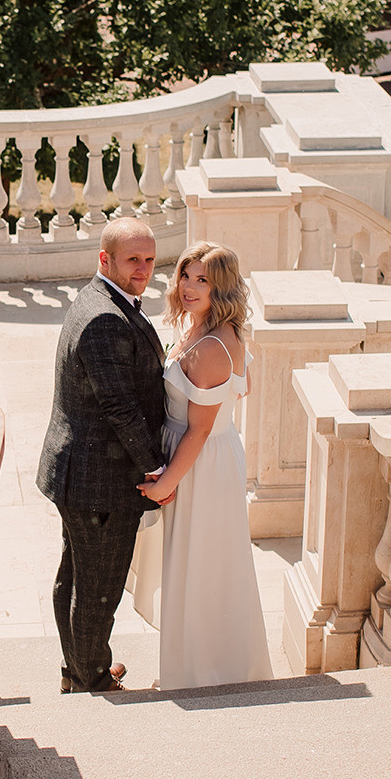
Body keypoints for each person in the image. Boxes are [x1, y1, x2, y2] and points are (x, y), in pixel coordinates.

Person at [129, 243, 272, 691]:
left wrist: (164, 483)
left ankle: (202, 673)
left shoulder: (212, 345)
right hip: (208, 455)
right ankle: (195, 666)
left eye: (202, 280)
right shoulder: (206, 328)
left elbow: (200, 430)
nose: (188, 287)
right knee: (197, 562)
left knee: (201, 565)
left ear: (221, 287)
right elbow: (242, 387)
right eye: (186, 276)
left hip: (201, 464)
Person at [37, 216, 167, 694]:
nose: (143, 269)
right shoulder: (105, 317)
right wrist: (157, 468)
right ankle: (92, 678)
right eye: (133, 259)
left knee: (75, 575)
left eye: (150, 259)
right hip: (100, 480)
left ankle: (79, 666)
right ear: (105, 259)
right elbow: (119, 406)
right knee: (98, 587)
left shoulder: (102, 300)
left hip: (81, 472)